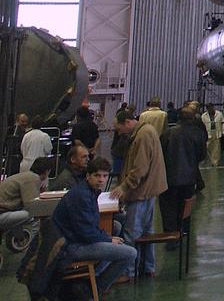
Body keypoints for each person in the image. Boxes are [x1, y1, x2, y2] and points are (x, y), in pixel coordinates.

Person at [53, 156, 137, 292]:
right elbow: (86, 233)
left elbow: (89, 227)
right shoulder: (82, 196)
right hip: (71, 246)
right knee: (130, 253)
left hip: (75, 239)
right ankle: (97, 288)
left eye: (105, 176)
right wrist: (109, 239)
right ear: (88, 176)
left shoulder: (89, 191)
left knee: (115, 226)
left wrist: (108, 238)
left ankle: (94, 276)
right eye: (97, 175)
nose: (101, 180)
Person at [111, 108, 167, 278]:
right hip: (148, 189)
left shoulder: (142, 136)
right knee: (146, 232)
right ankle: (147, 267)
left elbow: (139, 168)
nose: (119, 133)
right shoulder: (146, 131)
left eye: (119, 129)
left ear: (127, 123)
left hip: (141, 191)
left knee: (131, 233)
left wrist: (124, 187)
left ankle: (129, 272)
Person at [159, 105, 205, 239]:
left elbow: (160, 153)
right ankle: (183, 232)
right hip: (190, 178)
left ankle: (170, 236)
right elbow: (202, 155)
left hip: (169, 178)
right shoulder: (198, 134)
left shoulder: (168, 133)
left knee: (168, 208)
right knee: (186, 207)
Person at [0, 156, 53, 224]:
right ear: (47, 171)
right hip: (2, 213)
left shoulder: (26, 176)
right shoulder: (33, 178)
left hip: (4, 211)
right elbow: (33, 206)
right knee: (33, 214)